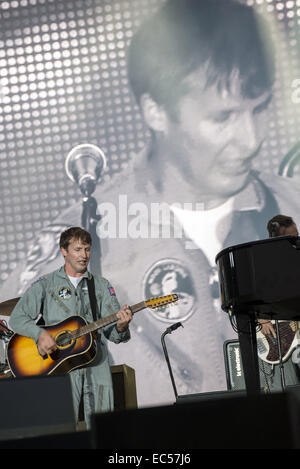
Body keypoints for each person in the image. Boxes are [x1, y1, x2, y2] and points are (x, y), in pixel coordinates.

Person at [2, 0, 300, 407]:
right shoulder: (81, 237)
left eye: (261, 108)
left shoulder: (293, 203)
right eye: (223, 116)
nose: (250, 139)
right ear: (156, 111)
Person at [9, 227, 133, 428]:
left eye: (87, 249)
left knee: (104, 432)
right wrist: (39, 334)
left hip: (96, 364)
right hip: (59, 367)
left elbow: (114, 334)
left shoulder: (101, 285)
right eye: (77, 249)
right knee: (62, 431)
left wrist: (121, 326)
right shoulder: (46, 284)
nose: (84, 255)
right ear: (63, 251)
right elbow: (17, 318)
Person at [257, 215, 300, 392]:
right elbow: (252, 293)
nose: (296, 241)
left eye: (296, 236)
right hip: (279, 333)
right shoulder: (263, 261)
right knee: (284, 387)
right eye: (291, 238)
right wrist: (262, 319)